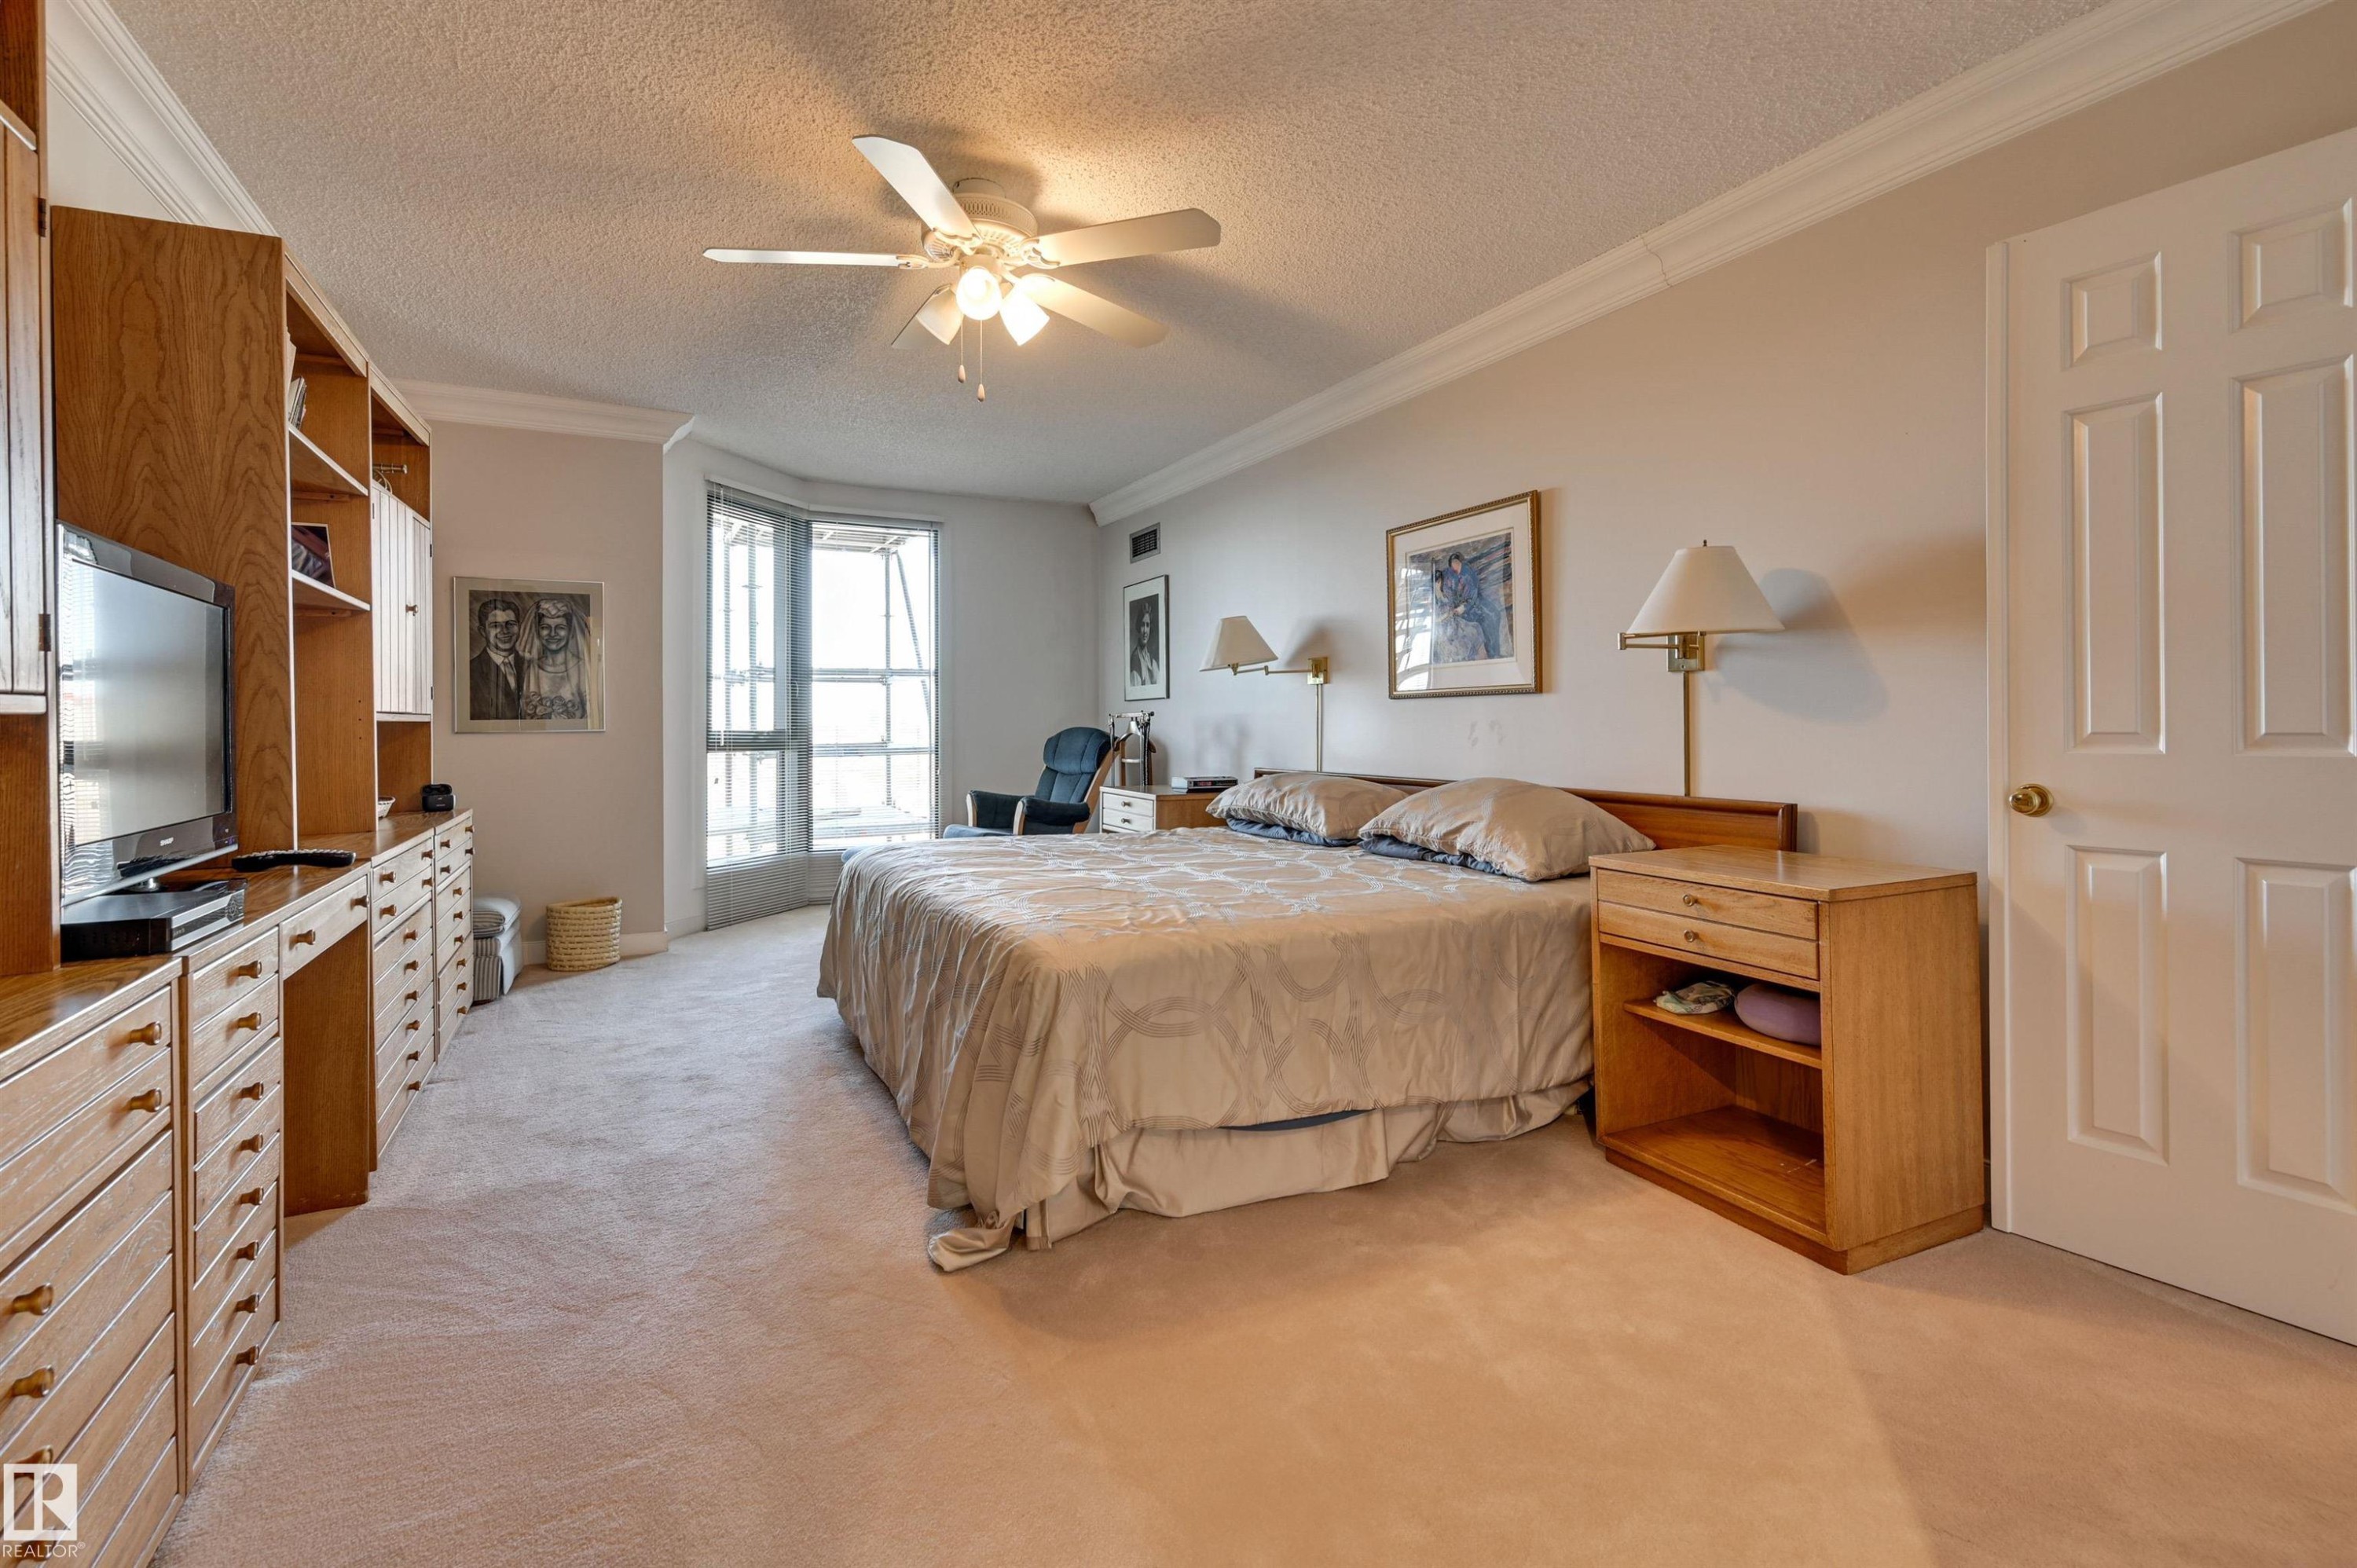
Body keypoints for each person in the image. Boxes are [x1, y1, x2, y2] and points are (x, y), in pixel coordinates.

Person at [520, 596, 592, 721]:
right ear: (537, 631)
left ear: (571, 631)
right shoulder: (532, 669)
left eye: (560, 627)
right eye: (545, 627)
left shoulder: (582, 668)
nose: (552, 633)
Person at [468, 596, 524, 719]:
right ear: (483, 631)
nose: (505, 631)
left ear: (519, 627)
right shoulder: (470, 672)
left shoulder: (532, 665)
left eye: (511, 624)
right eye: (495, 626)